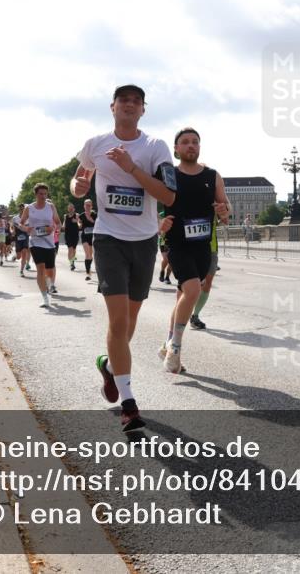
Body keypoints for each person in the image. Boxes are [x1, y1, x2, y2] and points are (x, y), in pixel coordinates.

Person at [72, 84, 176, 431]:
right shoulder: (95, 144)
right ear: (112, 107)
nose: (130, 105)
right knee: (118, 323)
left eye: (136, 101)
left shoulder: (155, 147)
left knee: (129, 323)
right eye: (124, 100)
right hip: (108, 238)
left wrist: (132, 168)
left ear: (143, 110)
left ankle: (108, 364)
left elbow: (168, 196)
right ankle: (129, 405)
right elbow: (78, 182)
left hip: (144, 240)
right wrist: (80, 188)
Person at [158, 128, 230, 373]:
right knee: (192, 290)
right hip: (177, 244)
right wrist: (159, 223)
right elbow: (154, 203)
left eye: (195, 142)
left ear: (199, 147)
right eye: (185, 142)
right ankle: (175, 349)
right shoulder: (169, 175)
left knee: (183, 298)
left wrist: (223, 211)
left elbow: (225, 209)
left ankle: (167, 342)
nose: (191, 145)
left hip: (202, 247)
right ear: (176, 148)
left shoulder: (212, 175)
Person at [20, 183, 62, 307]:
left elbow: (59, 223)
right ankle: (45, 298)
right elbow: (21, 223)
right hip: (35, 242)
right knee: (40, 268)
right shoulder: (29, 208)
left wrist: (53, 228)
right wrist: (26, 228)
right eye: (40, 194)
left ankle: (48, 285)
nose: (43, 196)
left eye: (45, 194)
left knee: (49, 271)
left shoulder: (51, 207)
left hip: (49, 243)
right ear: (36, 194)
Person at [190, 214, 220, 329]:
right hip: (193, 247)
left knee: (207, 283)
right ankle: (181, 315)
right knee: (192, 283)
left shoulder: (215, 201)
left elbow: (225, 218)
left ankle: (195, 316)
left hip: (212, 248)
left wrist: (224, 210)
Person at [79, 198, 97, 281]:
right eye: (86, 205)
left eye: (89, 205)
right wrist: (78, 223)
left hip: (93, 237)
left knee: (91, 254)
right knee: (87, 254)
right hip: (85, 236)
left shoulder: (95, 214)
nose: (87, 206)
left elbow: (98, 224)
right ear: (84, 206)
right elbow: (79, 224)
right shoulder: (81, 215)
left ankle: (91, 270)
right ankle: (88, 273)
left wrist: (91, 220)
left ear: (92, 206)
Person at [63, 203, 81, 271]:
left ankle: (72, 261)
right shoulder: (65, 216)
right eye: (69, 208)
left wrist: (77, 222)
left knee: (74, 249)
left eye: (71, 208)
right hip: (67, 234)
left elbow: (79, 223)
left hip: (75, 234)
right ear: (68, 209)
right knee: (70, 249)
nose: (70, 209)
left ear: (74, 209)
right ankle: (72, 263)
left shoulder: (76, 215)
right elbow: (64, 223)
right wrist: (63, 226)